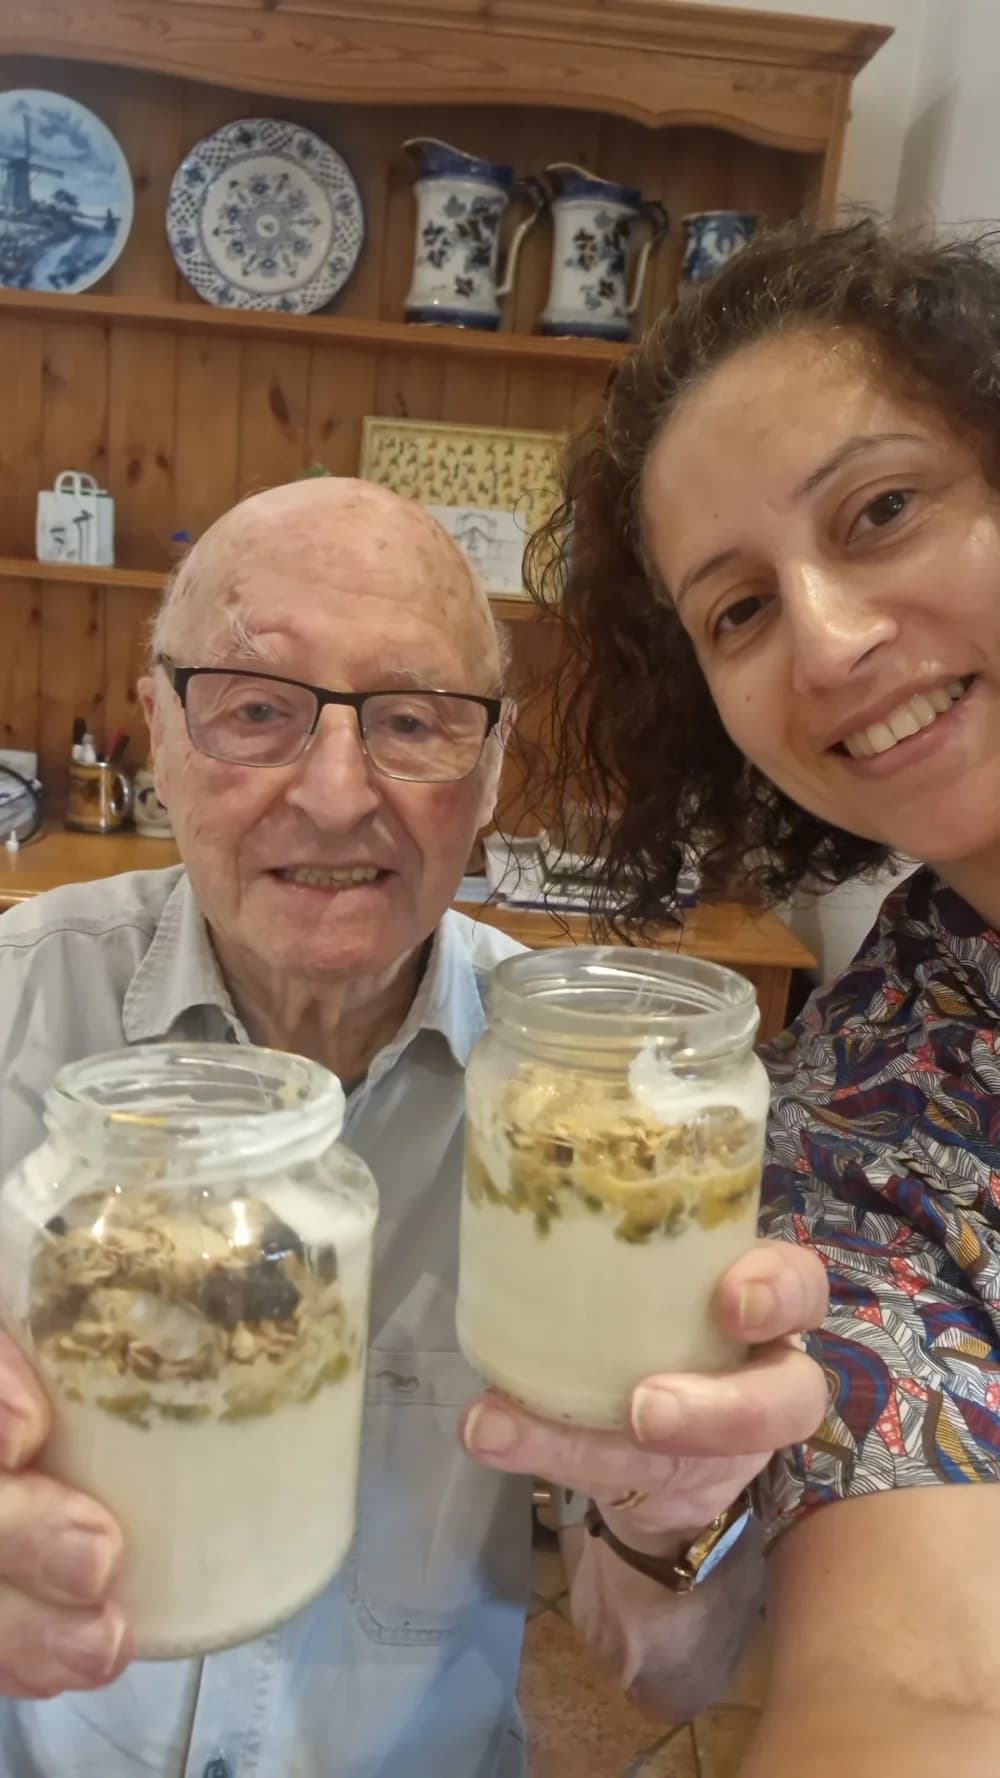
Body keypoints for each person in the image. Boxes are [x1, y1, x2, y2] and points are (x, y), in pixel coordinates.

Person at [0, 478, 825, 1777]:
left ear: (490, 768)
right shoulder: (17, 1006)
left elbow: (667, 1670)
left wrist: (676, 1511)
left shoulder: (602, 1107)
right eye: (256, 708)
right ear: (157, 728)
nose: (336, 795)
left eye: (413, 720)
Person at [527, 217, 1000, 1774]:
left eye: (884, 510)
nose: (833, 641)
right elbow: (916, 1692)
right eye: (737, 610)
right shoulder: (871, 1123)